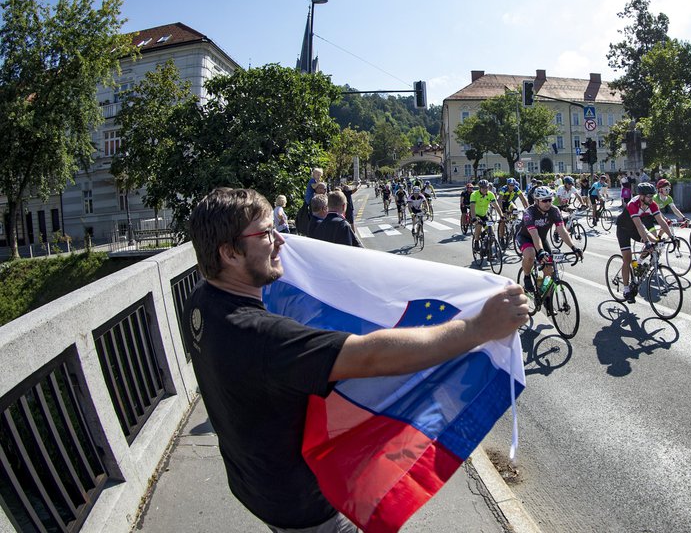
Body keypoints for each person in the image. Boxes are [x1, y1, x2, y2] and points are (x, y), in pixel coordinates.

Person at [182, 187, 529, 532]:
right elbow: (371, 357)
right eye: (266, 233)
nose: (281, 242)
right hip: (302, 507)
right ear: (229, 253)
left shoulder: (201, 300)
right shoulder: (261, 338)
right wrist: (478, 327)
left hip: (252, 482)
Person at [613, 182, 675, 303]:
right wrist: (646, 242)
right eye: (648, 196)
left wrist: (672, 237)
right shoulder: (633, 204)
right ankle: (626, 290)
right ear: (641, 196)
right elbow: (639, 225)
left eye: (652, 196)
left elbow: (662, 221)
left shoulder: (652, 204)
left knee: (655, 242)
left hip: (636, 229)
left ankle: (639, 265)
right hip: (624, 230)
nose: (651, 198)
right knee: (627, 258)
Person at [515, 186, 581, 295]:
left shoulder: (554, 210)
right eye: (544, 200)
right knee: (531, 254)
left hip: (541, 239)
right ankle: (527, 276)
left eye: (550, 199)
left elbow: (562, 230)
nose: (548, 203)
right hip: (525, 237)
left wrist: (574, 248)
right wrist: (540, 251)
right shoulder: (529, 212)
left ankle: (544, 294)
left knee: (549, 271)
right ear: (536, 201)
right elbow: (534, 234)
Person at [469, 179, 503, 253]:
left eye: (487, 187)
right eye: (483, 188)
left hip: (485, 215)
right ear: (480, 188)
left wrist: (502, 216)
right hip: (476, 214)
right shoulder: (474, 194)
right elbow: (472, 207)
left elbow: (496, 205)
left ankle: (487, 250)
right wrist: (474, 218)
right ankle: (476, 241)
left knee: (492, 234)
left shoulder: (490, 194)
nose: (485, 189)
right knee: (479, 224)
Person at [497, 178, 528, 242]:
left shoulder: (516, 188)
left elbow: (522, 198)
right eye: (510, 185)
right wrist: (501, 211)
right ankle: (501, 237)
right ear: (507, 185)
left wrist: (527, 208)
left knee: (515, 210)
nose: (512, 187)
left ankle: (512, 224)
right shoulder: (504, 189)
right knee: (503, 220)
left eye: (513, 185)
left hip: (509, 202)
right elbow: (499, 200)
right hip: (502, 203)